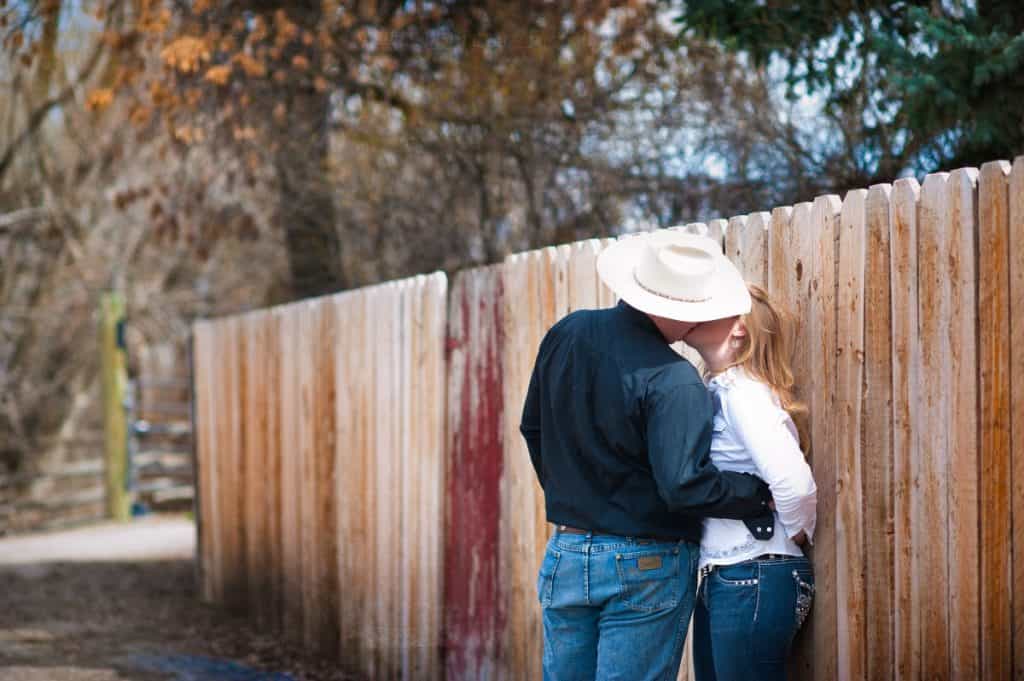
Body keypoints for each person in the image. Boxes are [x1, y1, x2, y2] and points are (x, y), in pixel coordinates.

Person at [520, 231, 776, 681]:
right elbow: (685, 486)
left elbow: (533, 428)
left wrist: (576, 496)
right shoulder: (675, 381)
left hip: (567, 549)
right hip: (645, 564)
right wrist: (756, 494)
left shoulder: (568, 332)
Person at [684, 283, 817, 681]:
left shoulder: (743, 392)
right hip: (730, 576)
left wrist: (795, 530)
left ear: (740, 327)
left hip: (754, 573)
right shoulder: (724, 389)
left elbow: (795, 484)